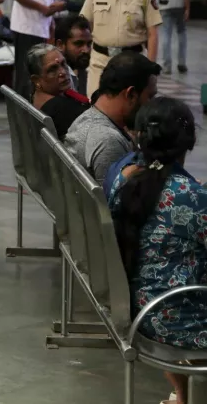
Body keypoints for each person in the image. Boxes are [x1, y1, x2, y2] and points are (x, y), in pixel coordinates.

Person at [107, 97, 206, 404]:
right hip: (178, 317)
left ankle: (183, 394)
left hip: (140, 308)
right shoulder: (190, 195)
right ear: (187, 142)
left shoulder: (123, 183)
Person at [64, 51, 159, 188]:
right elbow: (116, 204)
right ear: (131, 94)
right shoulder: (108, 140)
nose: (152, 106)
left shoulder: (88, 118)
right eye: (150, 96)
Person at [80, 0, 162, 99]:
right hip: (100, 61)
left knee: (129, 108)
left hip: (132, 62)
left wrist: (150, 68)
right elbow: (86, 23)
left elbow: (152, 34)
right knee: (95, 103)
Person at [10, 0, 64, 95]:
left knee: (36, 71)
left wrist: (51, 18)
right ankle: (21, 108)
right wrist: (44, 9)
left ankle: (32, 105)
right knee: (25, 72)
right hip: (27, 29)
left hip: (40, 28)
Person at [26, 44, 89, 139]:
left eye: (63, 64)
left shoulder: (36, 95)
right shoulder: (62, 109)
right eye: (52, 69)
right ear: (36, 80)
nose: (63, 72)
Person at [54, 14, 93, 95]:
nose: (86, 50)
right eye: (79, 44)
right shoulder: (52, 79)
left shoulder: (89, 74)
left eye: (89, 44)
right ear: (60, 45)